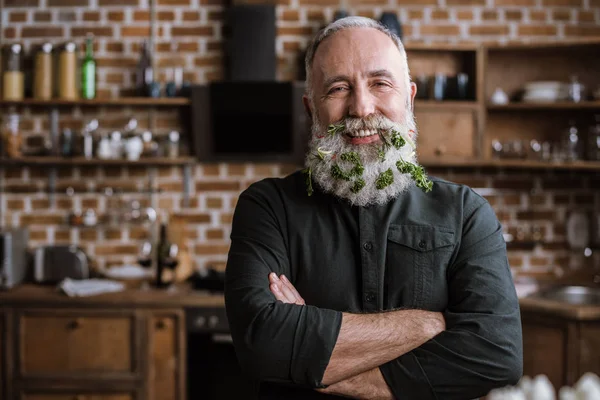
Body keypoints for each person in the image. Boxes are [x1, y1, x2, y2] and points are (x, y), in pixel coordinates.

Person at [224, 16, 523, 400]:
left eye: (380, 83)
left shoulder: (466, 213)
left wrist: (314, 364)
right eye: (338, 88)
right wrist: (427, 326)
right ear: (310, 108)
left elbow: (498, 354)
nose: (361, 107)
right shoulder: (267, 207)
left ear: (409, 99)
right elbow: (262, 344)